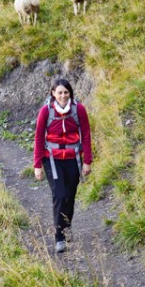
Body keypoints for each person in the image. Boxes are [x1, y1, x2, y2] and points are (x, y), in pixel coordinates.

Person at [33, 78, 93, 253]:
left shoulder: (78, 109)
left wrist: (87, 161)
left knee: (70, 195)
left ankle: (66, 227)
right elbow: (38, 138)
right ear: (53, 93)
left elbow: (86, 135)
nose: (63, 96)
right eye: (59, 92)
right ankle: (59, 236)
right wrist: (37, 165)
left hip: (73, 158)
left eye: (66, 92)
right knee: (59, 194)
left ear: (70, 93)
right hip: (52, 158)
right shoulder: (46, 111)